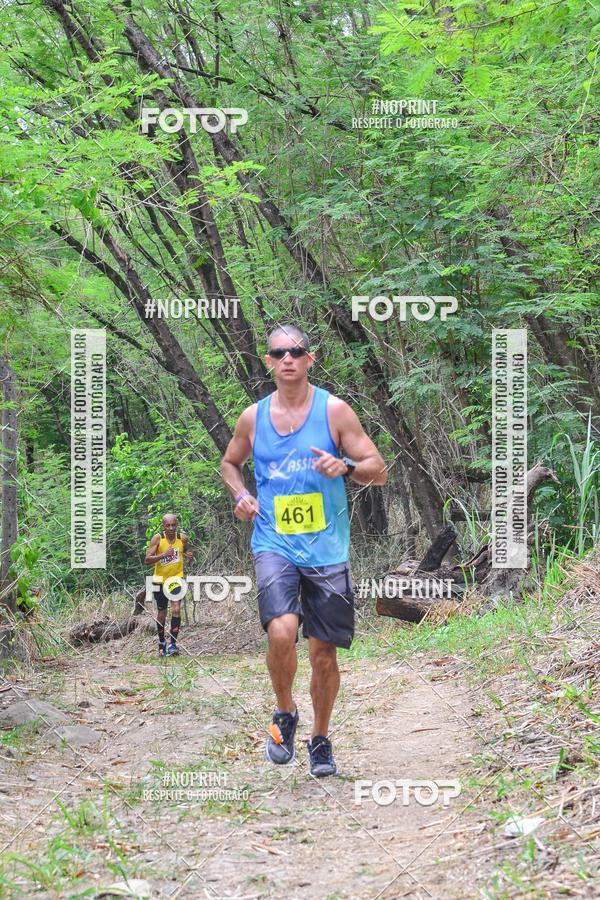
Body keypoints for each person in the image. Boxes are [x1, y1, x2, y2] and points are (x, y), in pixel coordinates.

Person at [220, 324, 387, 777]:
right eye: (279, 353)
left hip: (327, 547)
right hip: (273, 542)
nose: (288, 359)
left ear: (310, 359)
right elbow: (229, 463)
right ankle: (285, 712)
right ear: (268, 362)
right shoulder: (253, 418)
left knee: (323, 653)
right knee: (281, 631)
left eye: (296, 352)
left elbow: (378, 470)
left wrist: (345, 466)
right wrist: (241, 495)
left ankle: (321, 739)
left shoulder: (334, 411)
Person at [145, 514, 192, 657]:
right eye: (168, 525)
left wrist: (187, 555)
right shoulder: (158, 539)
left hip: (176, 579)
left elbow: (184, 550)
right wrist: (164, 554)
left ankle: (173, 645)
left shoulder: (182, 538)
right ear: (163, 526)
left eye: (173, 525)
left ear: (177, 525)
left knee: (176, 609)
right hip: (160, 580)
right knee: (162, 613)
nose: (171, 528)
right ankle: (161, 643)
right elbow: (147, 560)